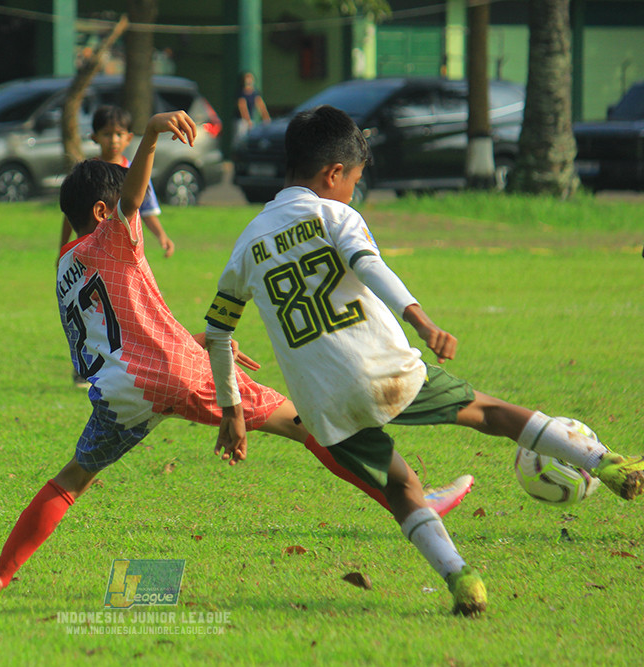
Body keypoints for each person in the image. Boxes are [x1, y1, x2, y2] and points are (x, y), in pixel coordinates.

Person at [0, 111, 473, 595]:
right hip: (174, 372)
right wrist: (152, 135)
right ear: (101, 212)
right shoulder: (110, 238)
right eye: (114, 209)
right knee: (306, 425)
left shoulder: (65, 270)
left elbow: (124, 332)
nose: (125, 216)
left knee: (72, 478)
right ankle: (410, 498)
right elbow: (132, 202)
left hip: (120, 394)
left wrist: (198, 342)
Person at [203, 104, 644, 618]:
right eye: (356, 181)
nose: (354, 192)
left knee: (400, 486)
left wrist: (232, 410)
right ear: (333, 174)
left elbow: (217, 331)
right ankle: (606, 465)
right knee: (490, 413)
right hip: (382, 371)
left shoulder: (248, 242)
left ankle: (463, 581)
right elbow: (370, 265)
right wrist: (420, 319)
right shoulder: (335, 214)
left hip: (322, 403)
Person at [60, 105, 174, 388]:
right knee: (90, 312)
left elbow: (144, 209)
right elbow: (71, 215)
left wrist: (161, 235)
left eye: (119, 134)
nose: (113, 139)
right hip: (93, 258)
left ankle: (128, 362)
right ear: (95, 137)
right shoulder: (87, 176)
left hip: (120, 258)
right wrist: (65, 248)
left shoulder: (134, 174)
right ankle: (87, 367)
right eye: (107, 133)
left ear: (128, 138)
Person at [235, 71, 271, 142]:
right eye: (247, 78)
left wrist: (267, 119)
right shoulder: (241, 93)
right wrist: (248, 121)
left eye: (250, 78)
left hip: (250, 121)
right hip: (241, 121)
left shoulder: (255, 93)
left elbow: (262, 107)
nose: (248, 80)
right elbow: (243, 108)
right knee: (240, 140)